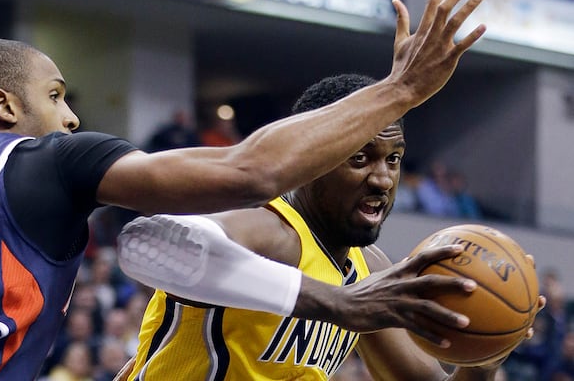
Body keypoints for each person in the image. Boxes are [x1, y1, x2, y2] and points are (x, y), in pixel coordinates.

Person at [0, 0, 486, 380]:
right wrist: (402, 89)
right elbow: (244, 175)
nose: (69, 117)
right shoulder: (49, 158)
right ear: (3, 104)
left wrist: (491, 338)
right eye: (57, 95)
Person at [118, 74, 545, 380]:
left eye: (393, 159)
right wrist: (337, 303)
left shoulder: (369, 268)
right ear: (310, 158)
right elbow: (158, 242)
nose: (382, 178)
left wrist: (484, 359)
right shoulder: (269, 230)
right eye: (359, 157)